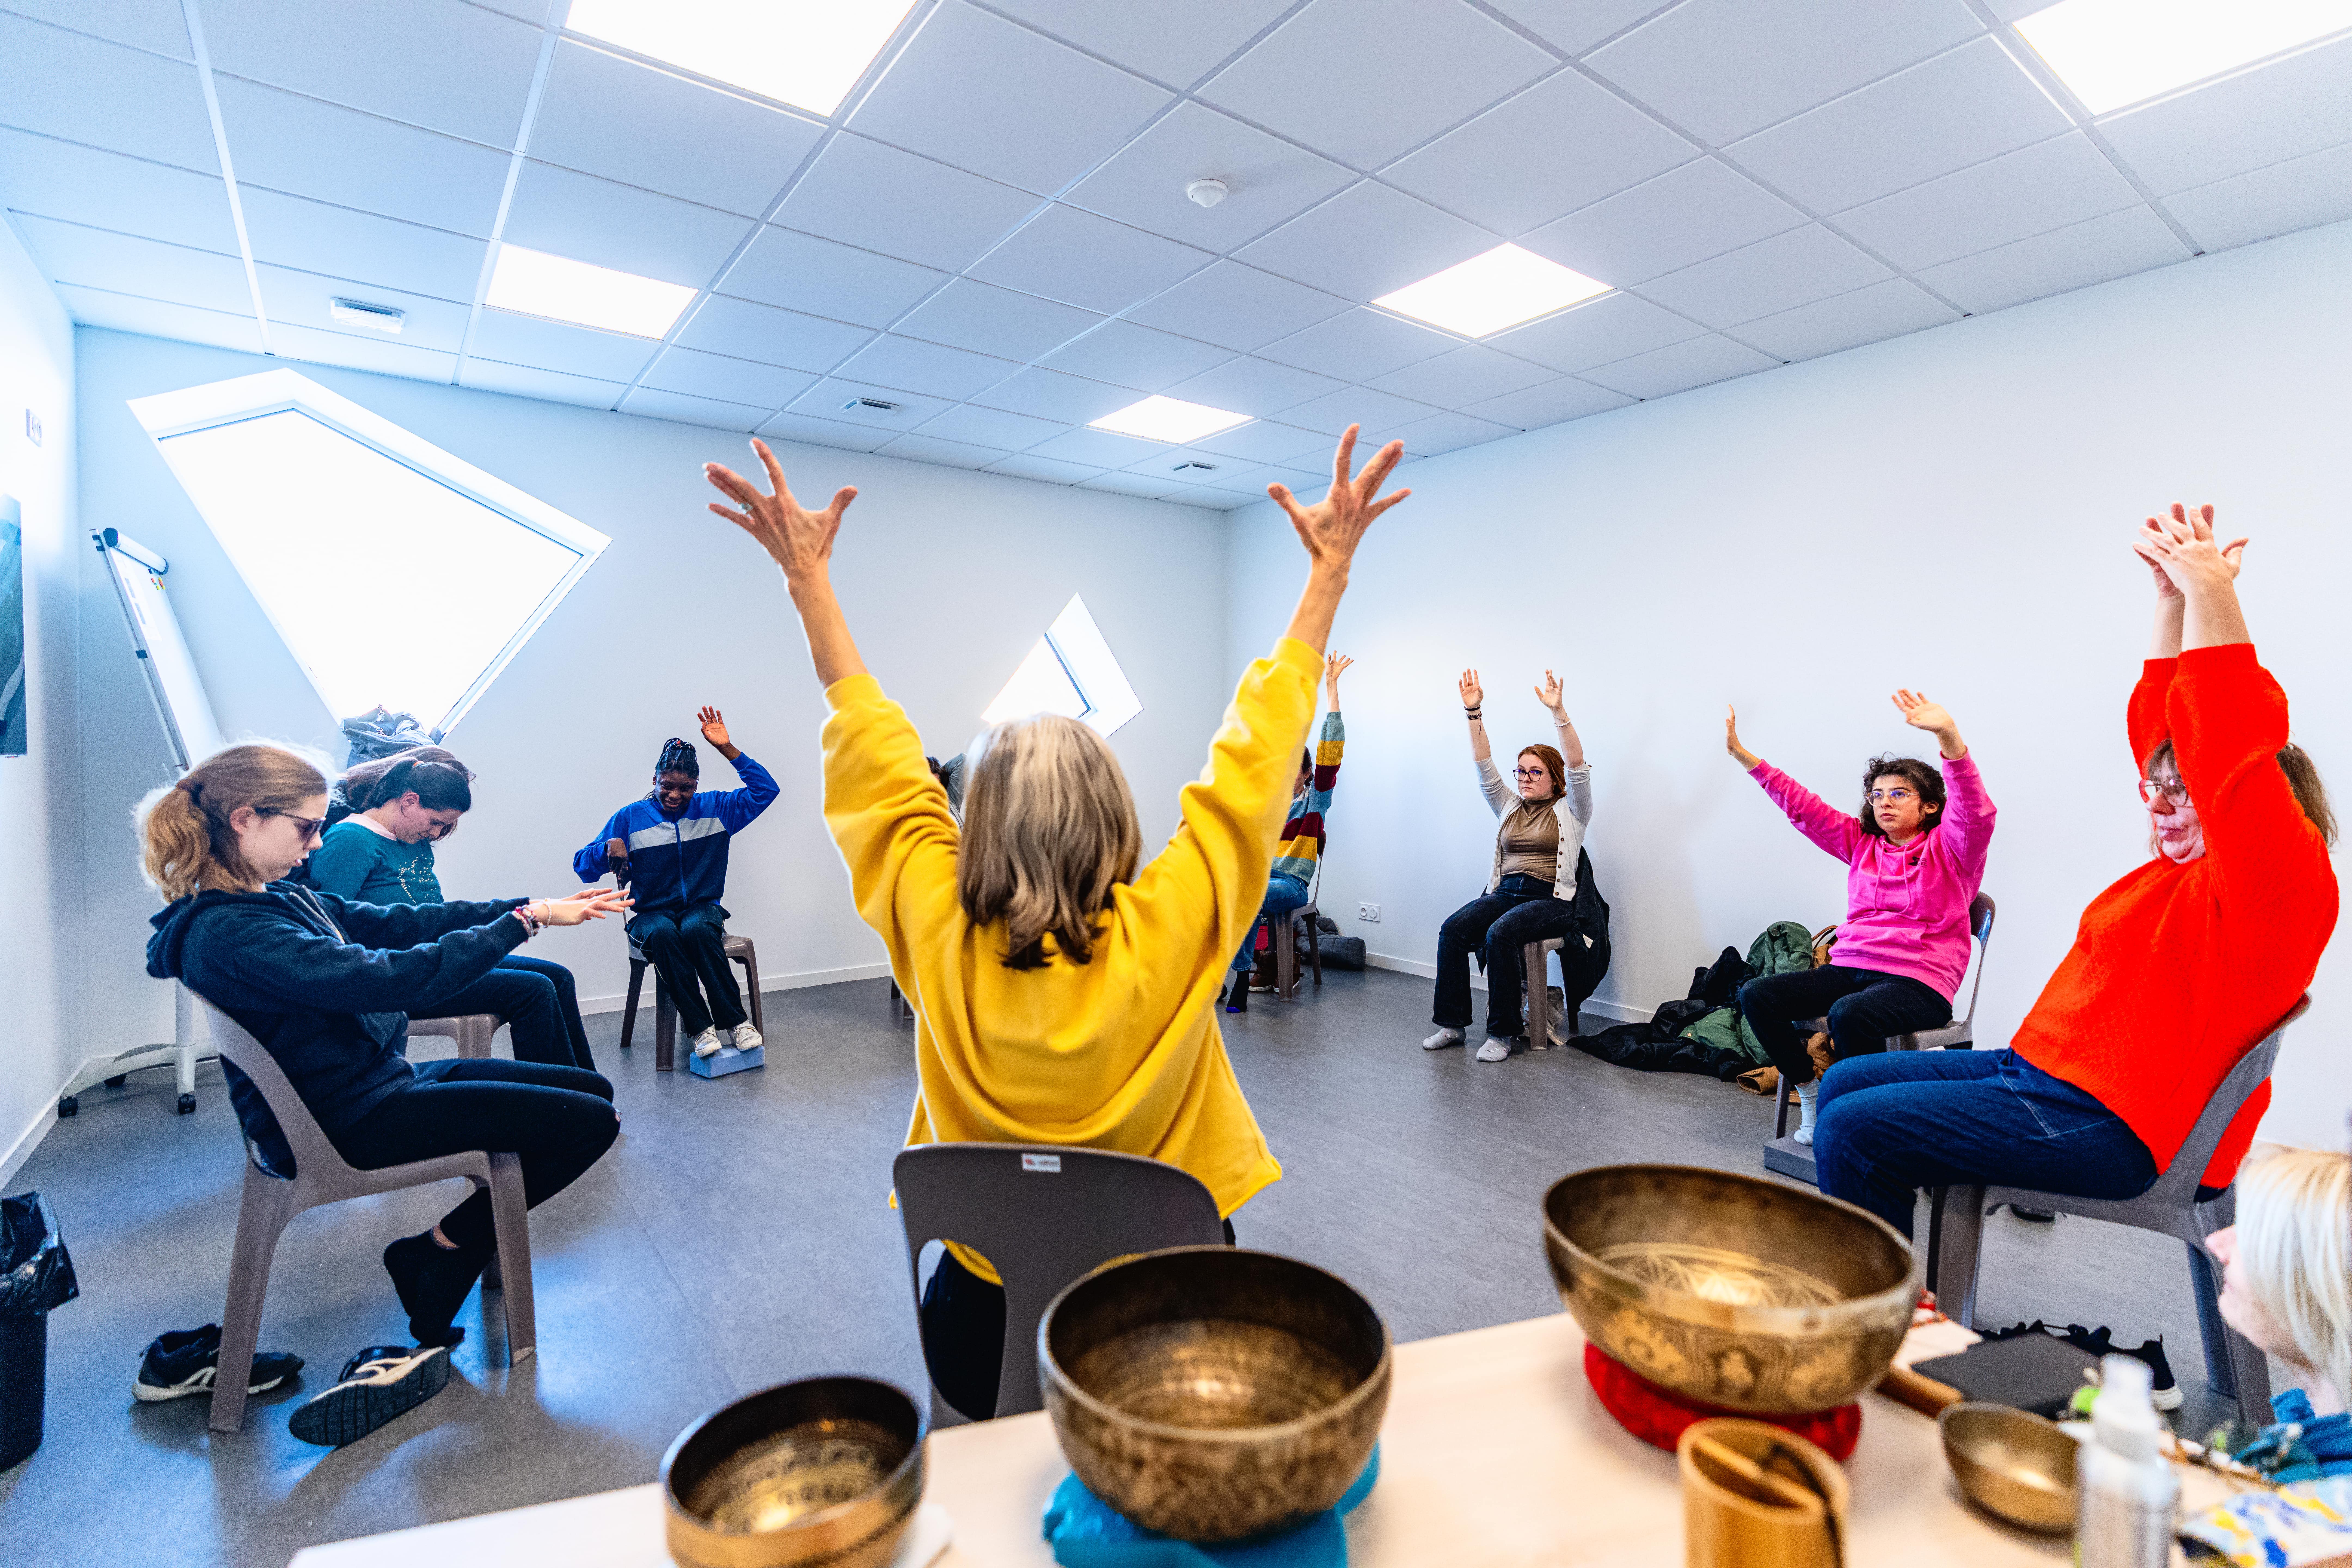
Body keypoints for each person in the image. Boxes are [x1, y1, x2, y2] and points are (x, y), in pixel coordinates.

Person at [703, 425, 1407, 1420]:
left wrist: (807, 582)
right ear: (1118, 818)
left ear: (974, 819)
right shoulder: (1181, 919)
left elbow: (874, 752)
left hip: (979, 1337)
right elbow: (1252, 770)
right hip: (1169, 1323)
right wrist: (1326, 577)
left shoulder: (932, 920)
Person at [1815, 504, 2338, 1239]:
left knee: (1859, 1130)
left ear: (2254, 807)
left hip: (2119, 1126)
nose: (2158, 803)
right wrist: (2173, 603)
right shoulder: (2188, 867)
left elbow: (2228, 744)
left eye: (2182, 790)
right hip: (2053, 1079)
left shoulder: (2275, 882)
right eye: (2156, 785)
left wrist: (2215, 590)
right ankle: (1892, 1283)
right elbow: (2163, 727)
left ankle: (1884, 1324)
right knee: (1843, 1082)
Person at [139, 744, 626, 1373]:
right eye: (306, 827)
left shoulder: (270, 898)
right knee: (591, 1121)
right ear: (244, 819)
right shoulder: (233, 933)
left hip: (372, 1085)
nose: (316, 844)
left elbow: (397, 922)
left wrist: (529, 909)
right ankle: (439, 1251)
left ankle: (439, 1253)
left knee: (594, 1093)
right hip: (347, 1121)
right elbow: (393, 977)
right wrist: (521, 924)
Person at [1724, 693, 1996, 1144]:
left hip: (1918, 981)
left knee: (1850, 1015)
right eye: (1877, 795)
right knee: (1758, 994)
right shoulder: (1862, 844)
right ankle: (1814, 1094)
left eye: (1899, 794)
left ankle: (1862, 1120)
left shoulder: (1952, 851)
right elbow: (1803, 808)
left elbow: (1976, 812)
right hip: (1851, 967)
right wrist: (1746, 758)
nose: (1884, 803)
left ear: (1930, 806)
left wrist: (1949, 739)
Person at [307, 746, 598, 1071]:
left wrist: (536, 908)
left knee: (558, 977)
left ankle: (592, 1099)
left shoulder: (410, 839)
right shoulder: (350, 841)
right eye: (436, 823)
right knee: (534, 991)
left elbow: (436, 915)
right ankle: (561, 1112)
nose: (436, 834)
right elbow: (328, 927)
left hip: (435, 955)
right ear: (408, 801)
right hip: (401, 972)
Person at [575, 708, 777, 1060]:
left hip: (701, 907)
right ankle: (701, 1028)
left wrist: (727, 748)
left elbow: (766, 790)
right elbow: (583, 867)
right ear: (655, 779)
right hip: (649, 914)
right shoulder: (630, 818)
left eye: (685, 788)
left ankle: (737, 1023)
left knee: (698, 929)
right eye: (667, 786)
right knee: (667, 935)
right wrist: (607, 849)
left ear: (696, 786)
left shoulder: (717, 809)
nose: (674, 795)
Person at [1423, 668, 1594, 1063]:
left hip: (1551, 901)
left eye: (1537, 772)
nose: (1526, 778)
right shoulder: (1509, 805)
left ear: (1555, 780)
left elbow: (1579, 764)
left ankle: (1502, 1033)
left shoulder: (1573, 810)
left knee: (1500, 934)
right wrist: (1473, 712)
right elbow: (1483, 763)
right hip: (1506, 893)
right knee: (1453, 930)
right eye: (1522, 771)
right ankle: (1451, 1024)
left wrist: (1559, 713)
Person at [2206, 1147, 2352, 1479]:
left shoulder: (2324, 1500)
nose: (2216, 1242)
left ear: (2313, 1290)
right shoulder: (2309, 1435)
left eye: (2250, 1234)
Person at [1224, 652, 1350, 1013]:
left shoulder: (1315, 802)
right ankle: (1222, 975)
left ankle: (1241, 979)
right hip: (1261, 880)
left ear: (1308, 773)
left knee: (1248, 895)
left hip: (1292, 885)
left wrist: (1331, 688)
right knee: (1221, 890)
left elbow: (1330, 753)